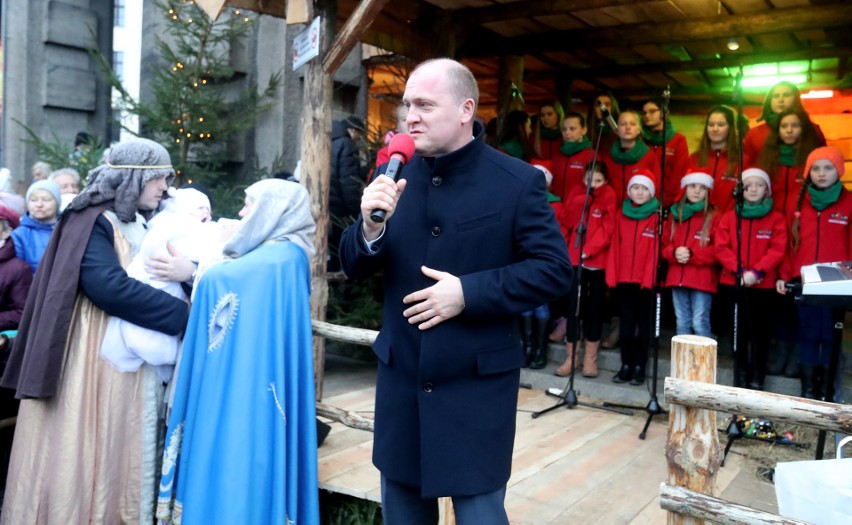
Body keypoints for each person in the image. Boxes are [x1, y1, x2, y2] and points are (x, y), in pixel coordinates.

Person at [339, 58, 572, 524]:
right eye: (408, 106)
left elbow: (554, 270)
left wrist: (469, 292)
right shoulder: (392, 172)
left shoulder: (516, 181)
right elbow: (353, 262)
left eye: (425, 104)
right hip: (402, 386)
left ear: (466, 109)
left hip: (475, 392)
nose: (411, 117)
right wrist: (367, 225)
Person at [0, 138, 190, 524]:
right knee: (87, 439)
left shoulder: (132, 219)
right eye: (159, 178)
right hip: (90, 359)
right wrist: (185, 314)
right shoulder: (91, 218)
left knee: (120, 442)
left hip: (127, 352)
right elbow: (108, 286)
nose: (165, 188)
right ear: (135, 178)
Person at [156, 179, 319, 524]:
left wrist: (199, 265)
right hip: (243, 378)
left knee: (245, 460)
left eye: (250, 204)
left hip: (252, 386)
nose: (243, 212)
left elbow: (219, 279)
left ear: (274, 210)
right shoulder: (280, 255)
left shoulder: (279, 259)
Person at [99, 187, 218, 380]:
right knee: (146, 334)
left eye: (209, 210)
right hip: (155, 288)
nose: (206, 213)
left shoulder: (199, 229)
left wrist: (192, 271)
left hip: (173, 294)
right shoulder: (171, 225)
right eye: (200, 208)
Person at [777, 147, 852, 400]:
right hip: (805, 280)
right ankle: (808, 392)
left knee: (830, 333)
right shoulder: (798, 204)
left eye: (828, 168)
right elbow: (788, 243)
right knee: (808, 332)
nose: (822, 173)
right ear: (809, 172)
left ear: (839, 170)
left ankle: (828, 392)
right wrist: (785, 275)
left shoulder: (849, 202)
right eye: (816, 168)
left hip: (838, 283)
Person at [715, 168, 787, 390]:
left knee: (760, 334)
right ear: (740, 190)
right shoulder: (729, 217)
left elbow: (778, 249)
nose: (753, 189)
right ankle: (741, 373)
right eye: (748, 185)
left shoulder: (776, 218)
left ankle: (758, 376)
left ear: (767, 190)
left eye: (759, 185)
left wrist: (756, 272)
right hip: (734, 283)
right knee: (739, 333)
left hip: (762, 286)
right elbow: (721, 246)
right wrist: (739, 271)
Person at [553, 162, 616, 378]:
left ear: (605, 181)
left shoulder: (609, 195)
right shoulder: (578, 193)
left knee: (594, 310)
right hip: (574, 260)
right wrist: (582, 201)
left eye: (598, 181)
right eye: (590, 180)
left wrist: (588, 250)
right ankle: (571, 358)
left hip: (596, 262)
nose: (594, 185)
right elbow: (568, 221)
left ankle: (591, 359)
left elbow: (608, 229)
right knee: (573, 310)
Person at [606, 172, 660, 386]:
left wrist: (649, 279)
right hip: (625, 280)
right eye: (635, 188)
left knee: (644, 327)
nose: (639, 192)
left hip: (646, 281)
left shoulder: (657, 216)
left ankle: (640, 366)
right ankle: (626, 364)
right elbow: (615, 247)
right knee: (626, 326)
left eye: (644, 188)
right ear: (629, 191)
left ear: (651, 193)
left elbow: (656, 251)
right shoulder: (621, 214)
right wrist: (613, 276)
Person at [662, 171, 718, 338]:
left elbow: (718, 250)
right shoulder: (675, 215)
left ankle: (702, 364)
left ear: (708, 192)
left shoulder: (714, 217)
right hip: (677, 276)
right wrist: (674, 252)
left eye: (702, 188)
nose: (697, 191)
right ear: (685, 189)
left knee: (699, 321)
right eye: (692, 186)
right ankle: (682, 363)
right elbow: (664, 244)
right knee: (682, 321)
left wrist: (692, 254)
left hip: (702, 278)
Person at [757, 107, 824, 214]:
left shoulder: (815, 158)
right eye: (784, 126)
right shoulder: (768, 157)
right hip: (773, 219)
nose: (789, 130)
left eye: (795, 126)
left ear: (804, 129)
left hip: (803, 218)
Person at [742, 81, 825, 165]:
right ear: (769, 101)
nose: (781, 100)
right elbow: (745, 166)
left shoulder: (813, 130)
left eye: (786, 95)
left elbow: (824, 162)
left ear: (795, 99)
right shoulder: (754, 134)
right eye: (776, 96)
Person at [329, 116, 367, 271]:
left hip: (327, 208)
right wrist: (356, 211)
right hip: (341, 212)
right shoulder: (346, 145)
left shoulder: (330, 141)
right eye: (359, 135)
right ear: (352, 130)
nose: (358, 140)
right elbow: (349, 182)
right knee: (343, 254)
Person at [688, 105, 740, 213]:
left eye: (721, 125)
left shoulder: (742, 160)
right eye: (711, 124)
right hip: (700, 224)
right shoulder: (694, 159)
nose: (715, 129)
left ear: (730, 127)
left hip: (728, 225)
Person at [602, 108, 661, 201]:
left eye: (632, 124)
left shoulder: (649, 156)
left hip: (638, 211)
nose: (628, 127)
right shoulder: (606, 156)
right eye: (623, 124)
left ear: (638, 130)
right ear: (616, 129)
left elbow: (656, 187)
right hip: (611, 210)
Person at [642, 98, 689, 208]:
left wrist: (665, 202)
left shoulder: (678, 140)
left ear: (665, 113)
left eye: (652, 111)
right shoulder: (641, 140)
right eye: (644, 112)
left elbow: (679, 175)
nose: (647, 115)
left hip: (668, 203)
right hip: (642, 201)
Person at [12, 179, 61, 274]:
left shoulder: (67, 230)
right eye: (33, 200)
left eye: (46, 200)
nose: (39, 205)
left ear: (57, 202)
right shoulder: (19, 235)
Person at [549, 111, 594, 201]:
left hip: (578, 208)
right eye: (564, 129)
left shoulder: (591, 155)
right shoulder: (557, 155)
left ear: (584, 130)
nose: (567, 132)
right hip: (557, 207)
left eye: (572, 129)